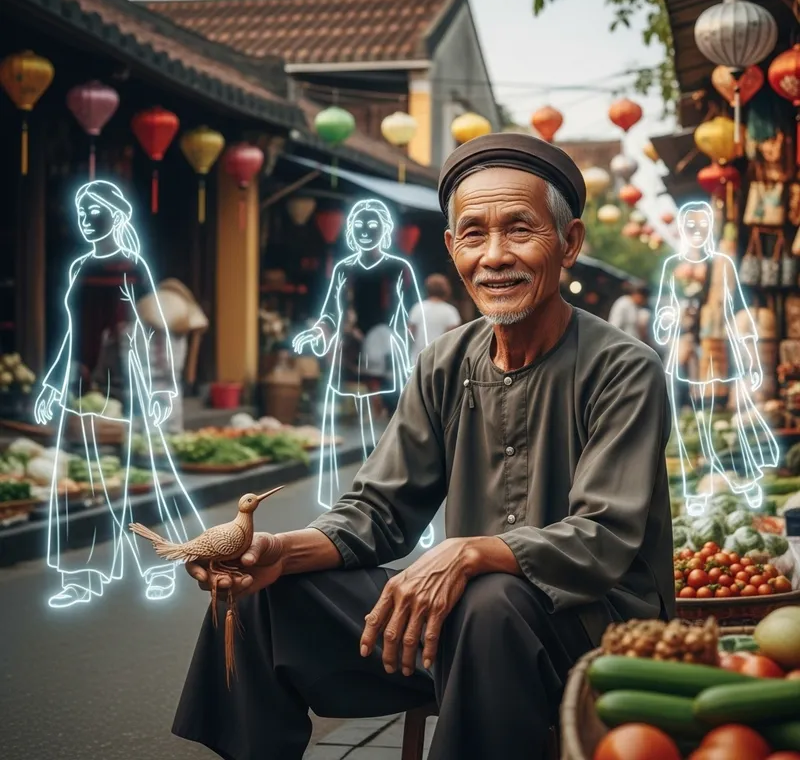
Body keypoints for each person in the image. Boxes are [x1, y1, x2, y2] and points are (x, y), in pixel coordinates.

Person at [173, 134, 674, 760]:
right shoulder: (446, 361)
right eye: (473, 234)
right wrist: (280, 550)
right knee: (258, 598)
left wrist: (467, 553)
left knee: (491, 605)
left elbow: (602, 538)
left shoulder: (624, 368)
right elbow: (380, 510)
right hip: (465, 613)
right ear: (451, 248)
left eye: (520, 231)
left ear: (569, 243)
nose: (494, 257)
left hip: (589, 622)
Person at [34, 180, 205, 607]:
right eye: (81, 214)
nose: (86, 221)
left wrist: (161, 388)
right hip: (90, 390)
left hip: (134, 390)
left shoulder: (135, 269)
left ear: (117, 215)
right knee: (94, 482)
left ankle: (161, 566)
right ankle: (83, 577)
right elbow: (70, 336)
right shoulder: (80, 269)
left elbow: (156, 334)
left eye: (95, 213)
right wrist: (54, 385)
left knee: (141, 482)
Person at [292, 199, 433, 549]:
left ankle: (414, 518)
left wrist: (421, 361)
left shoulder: (399, 267)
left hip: (391, 361)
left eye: (373, 227)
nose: (366, 232)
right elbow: (330, 314)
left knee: (401, 441)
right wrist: (317, 333)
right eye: (359, 227)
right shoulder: (343, 269)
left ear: (384, 231)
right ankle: (341, 520)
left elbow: (414, 321)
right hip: (351, 360)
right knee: (357, 441)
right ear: (351, 232)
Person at [653, 200, 779, 516]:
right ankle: (698, 489)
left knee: (727, 423)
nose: (696, 232)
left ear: (710, 228)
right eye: (690, 226)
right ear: (682, 230)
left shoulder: (723, 263)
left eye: (702, 226)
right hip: (687, 356)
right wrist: (669, 321)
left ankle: (743, 481)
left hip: (721, 353)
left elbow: (739, 308)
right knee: (690, 425)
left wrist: (750, 354)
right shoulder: (673, 267)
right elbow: (664, 311)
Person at [409, 273, 462, 363]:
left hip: (418, 360)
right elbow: (454, 339)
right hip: (440, 361)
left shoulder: (417, 308)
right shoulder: (450, 311)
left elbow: (410, 334)